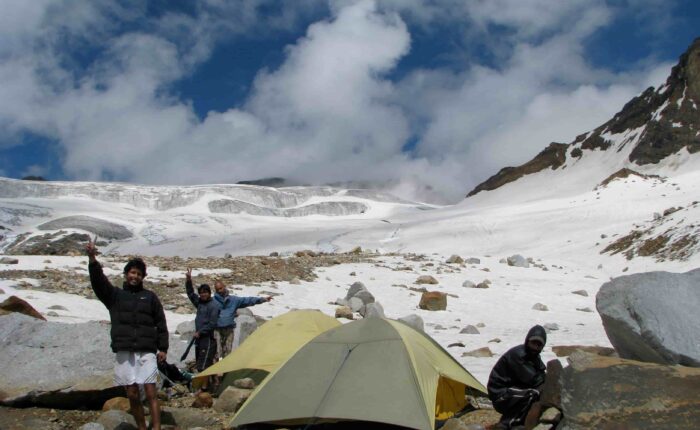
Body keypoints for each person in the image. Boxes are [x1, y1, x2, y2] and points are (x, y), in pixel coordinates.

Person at [86, 238, 167, 430]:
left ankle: (156, 427)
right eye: (132, 272)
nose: (135, 276)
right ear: (126, 274)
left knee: (150, 391)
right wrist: (92, 259)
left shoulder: (150, 297)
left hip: (146, 349)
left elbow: (161, 322)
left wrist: (163, 347)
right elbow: (99, 283)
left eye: (139, 274)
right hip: (124, 349)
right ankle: (141, 427)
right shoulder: (115, 296)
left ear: (142, 277)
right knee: (131, 393)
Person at [487, 325, 547, 430]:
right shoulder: (518, 355)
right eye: (533, 343)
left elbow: (542, 371)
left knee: (535, 392)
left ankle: (521, 420)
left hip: (511, 391)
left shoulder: (534, 356)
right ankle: (507, 424)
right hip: (500, 394)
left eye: (539, 345)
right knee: (532, 393)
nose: (535, 347)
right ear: (527, 340)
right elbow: (534, 379)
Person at [212, 279, 273, 362]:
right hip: (217, 329)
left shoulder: (233, 300)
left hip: (229, 329)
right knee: (217, 351)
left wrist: (262, 299)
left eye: (221, 288)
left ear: (224, 287)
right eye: (217, 289)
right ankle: (214, 372)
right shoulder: (213, 301)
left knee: (228, 351)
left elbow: (248, 300)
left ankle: (225, 372)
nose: (219, 291)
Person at [185, 268, 220, 392]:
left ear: (209, 293)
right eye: (201, 293)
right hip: (199, 339)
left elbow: (212, 324)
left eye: (205, 292)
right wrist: (189, 281)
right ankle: (210, 384)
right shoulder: (200, 303)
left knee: (204, 364)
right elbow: (190, 294)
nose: (203, 294)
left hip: (208, 338)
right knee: (202, 363)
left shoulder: (214, 306)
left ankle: (205, 388)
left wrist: (201, 331)